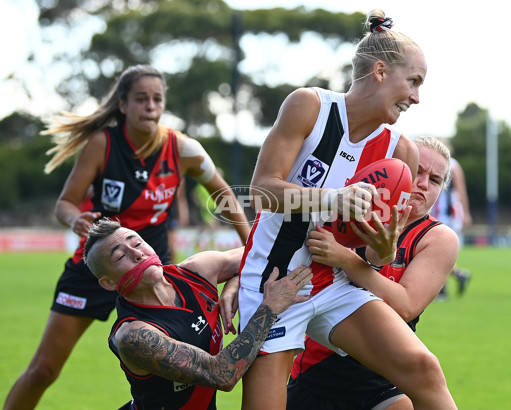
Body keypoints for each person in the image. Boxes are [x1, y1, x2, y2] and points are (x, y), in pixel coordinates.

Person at [238, 10, 457, 409]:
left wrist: (384, 247)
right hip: (274, 281)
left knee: (423, 369)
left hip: (336, 284)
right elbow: (261, 192)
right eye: (413, 82)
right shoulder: (309, 106)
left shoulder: (401, 150)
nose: (416, 97)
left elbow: (377, 255)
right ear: (379, 71)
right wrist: (333, 198)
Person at [4, 65, 251, 410]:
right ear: (122, 105)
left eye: (157, 99)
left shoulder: (183, 148)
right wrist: (76, 220)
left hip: (151, 267)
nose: (150, 106)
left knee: (171, 377)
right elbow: (64, 204)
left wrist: (241, 271)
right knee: (43, 370)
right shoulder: (102, 144)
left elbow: (226, 197)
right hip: (95, 269)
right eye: (140, 99)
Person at [287, 135, 459, 409]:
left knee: (426, 370)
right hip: (318, 374)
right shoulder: (350, 210)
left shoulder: (437, 238)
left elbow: (405, 306)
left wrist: (346, 259)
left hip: (382, 378)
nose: (423, 184)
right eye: (417, 172)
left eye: (435, 180)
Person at [81, 218, 312, 409]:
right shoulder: (135, 337)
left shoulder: (198, 270)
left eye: (137, 243)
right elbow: (222, 374)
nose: (137, 254)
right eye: (120, 256)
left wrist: (234, 284)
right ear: (109, 283)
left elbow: (259, 255)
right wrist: (269, 308)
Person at [430, 141, 472, 300]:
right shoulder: (431, 163)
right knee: (435, 249)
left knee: (440, 249)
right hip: (434, 211)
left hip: (449, 214)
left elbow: (461, 191)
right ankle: (459, 275)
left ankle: (443, 288)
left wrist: (466, 212)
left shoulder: (453, 165)